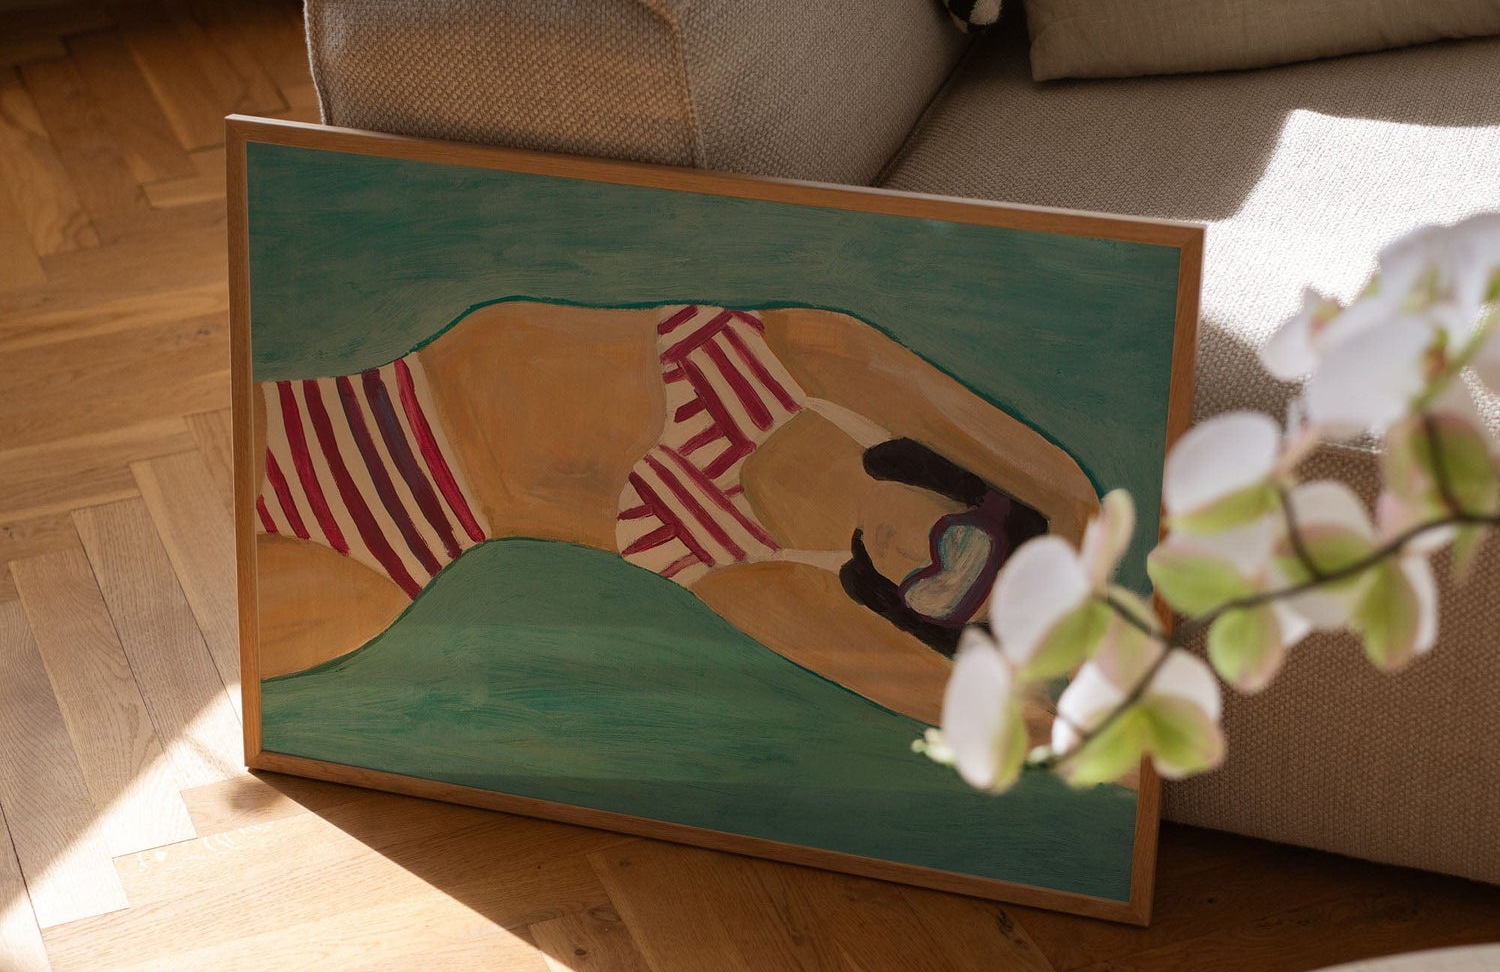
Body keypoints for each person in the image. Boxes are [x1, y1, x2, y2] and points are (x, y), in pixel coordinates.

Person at [253, 300, 1099, 722]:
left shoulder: (755, 570)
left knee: (226, 653)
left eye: (933, 591)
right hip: (375, 402)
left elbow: (965, 710)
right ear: (973, 498)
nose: (913, 552)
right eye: (958, 547)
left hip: (396, 552)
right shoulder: (811, 362)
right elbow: (1074, 496)